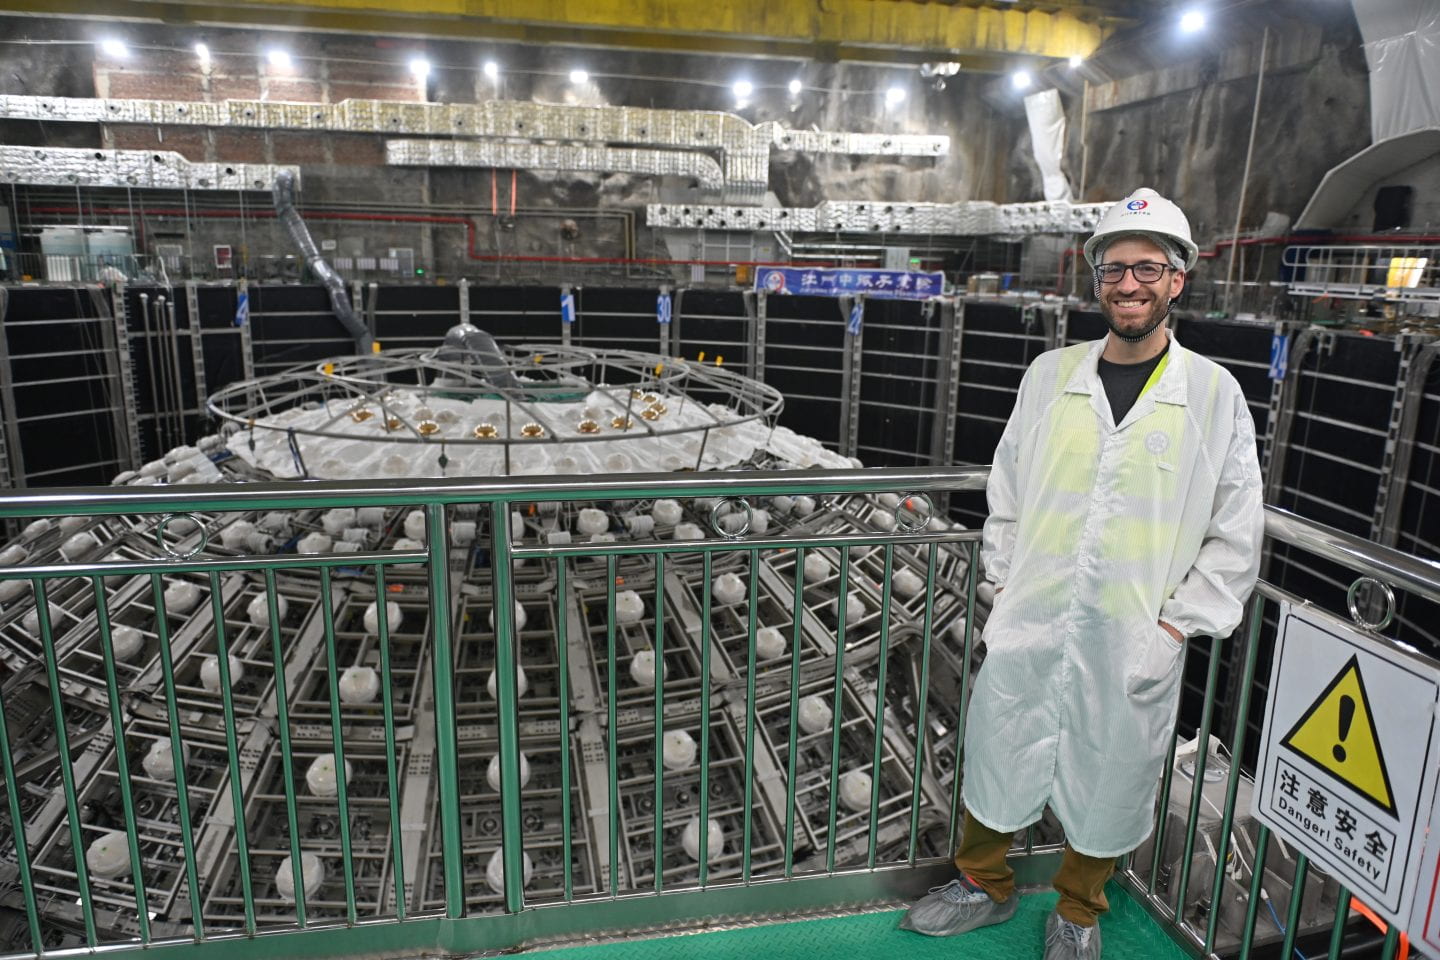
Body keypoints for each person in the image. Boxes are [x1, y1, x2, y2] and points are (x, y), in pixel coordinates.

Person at [901, 188, 1265, 959]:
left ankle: (1079, 908)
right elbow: (1008, 488)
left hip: (1134, 628)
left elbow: (1235, 531)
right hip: (1033, 609)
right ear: (1095, 280)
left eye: (1147, 269)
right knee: (1001, 743)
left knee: (1111, 769)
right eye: (1112, 270)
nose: (1128, 286)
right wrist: (1004, 585)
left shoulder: (1212, 395)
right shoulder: (1049, 375)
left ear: (1177, 281)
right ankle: (982, 883)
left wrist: (1175, 625)